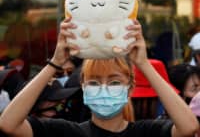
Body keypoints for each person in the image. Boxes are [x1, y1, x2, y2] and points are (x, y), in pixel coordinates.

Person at [0, 18, 198, 137]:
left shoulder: (145, 132)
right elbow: (9, 124)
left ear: (129, 88)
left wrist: (144, 64)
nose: (103, 88)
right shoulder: (66, 132)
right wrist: (54, 63)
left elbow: (188, 127)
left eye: (114, 82)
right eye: (94, 82)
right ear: (83, 88)